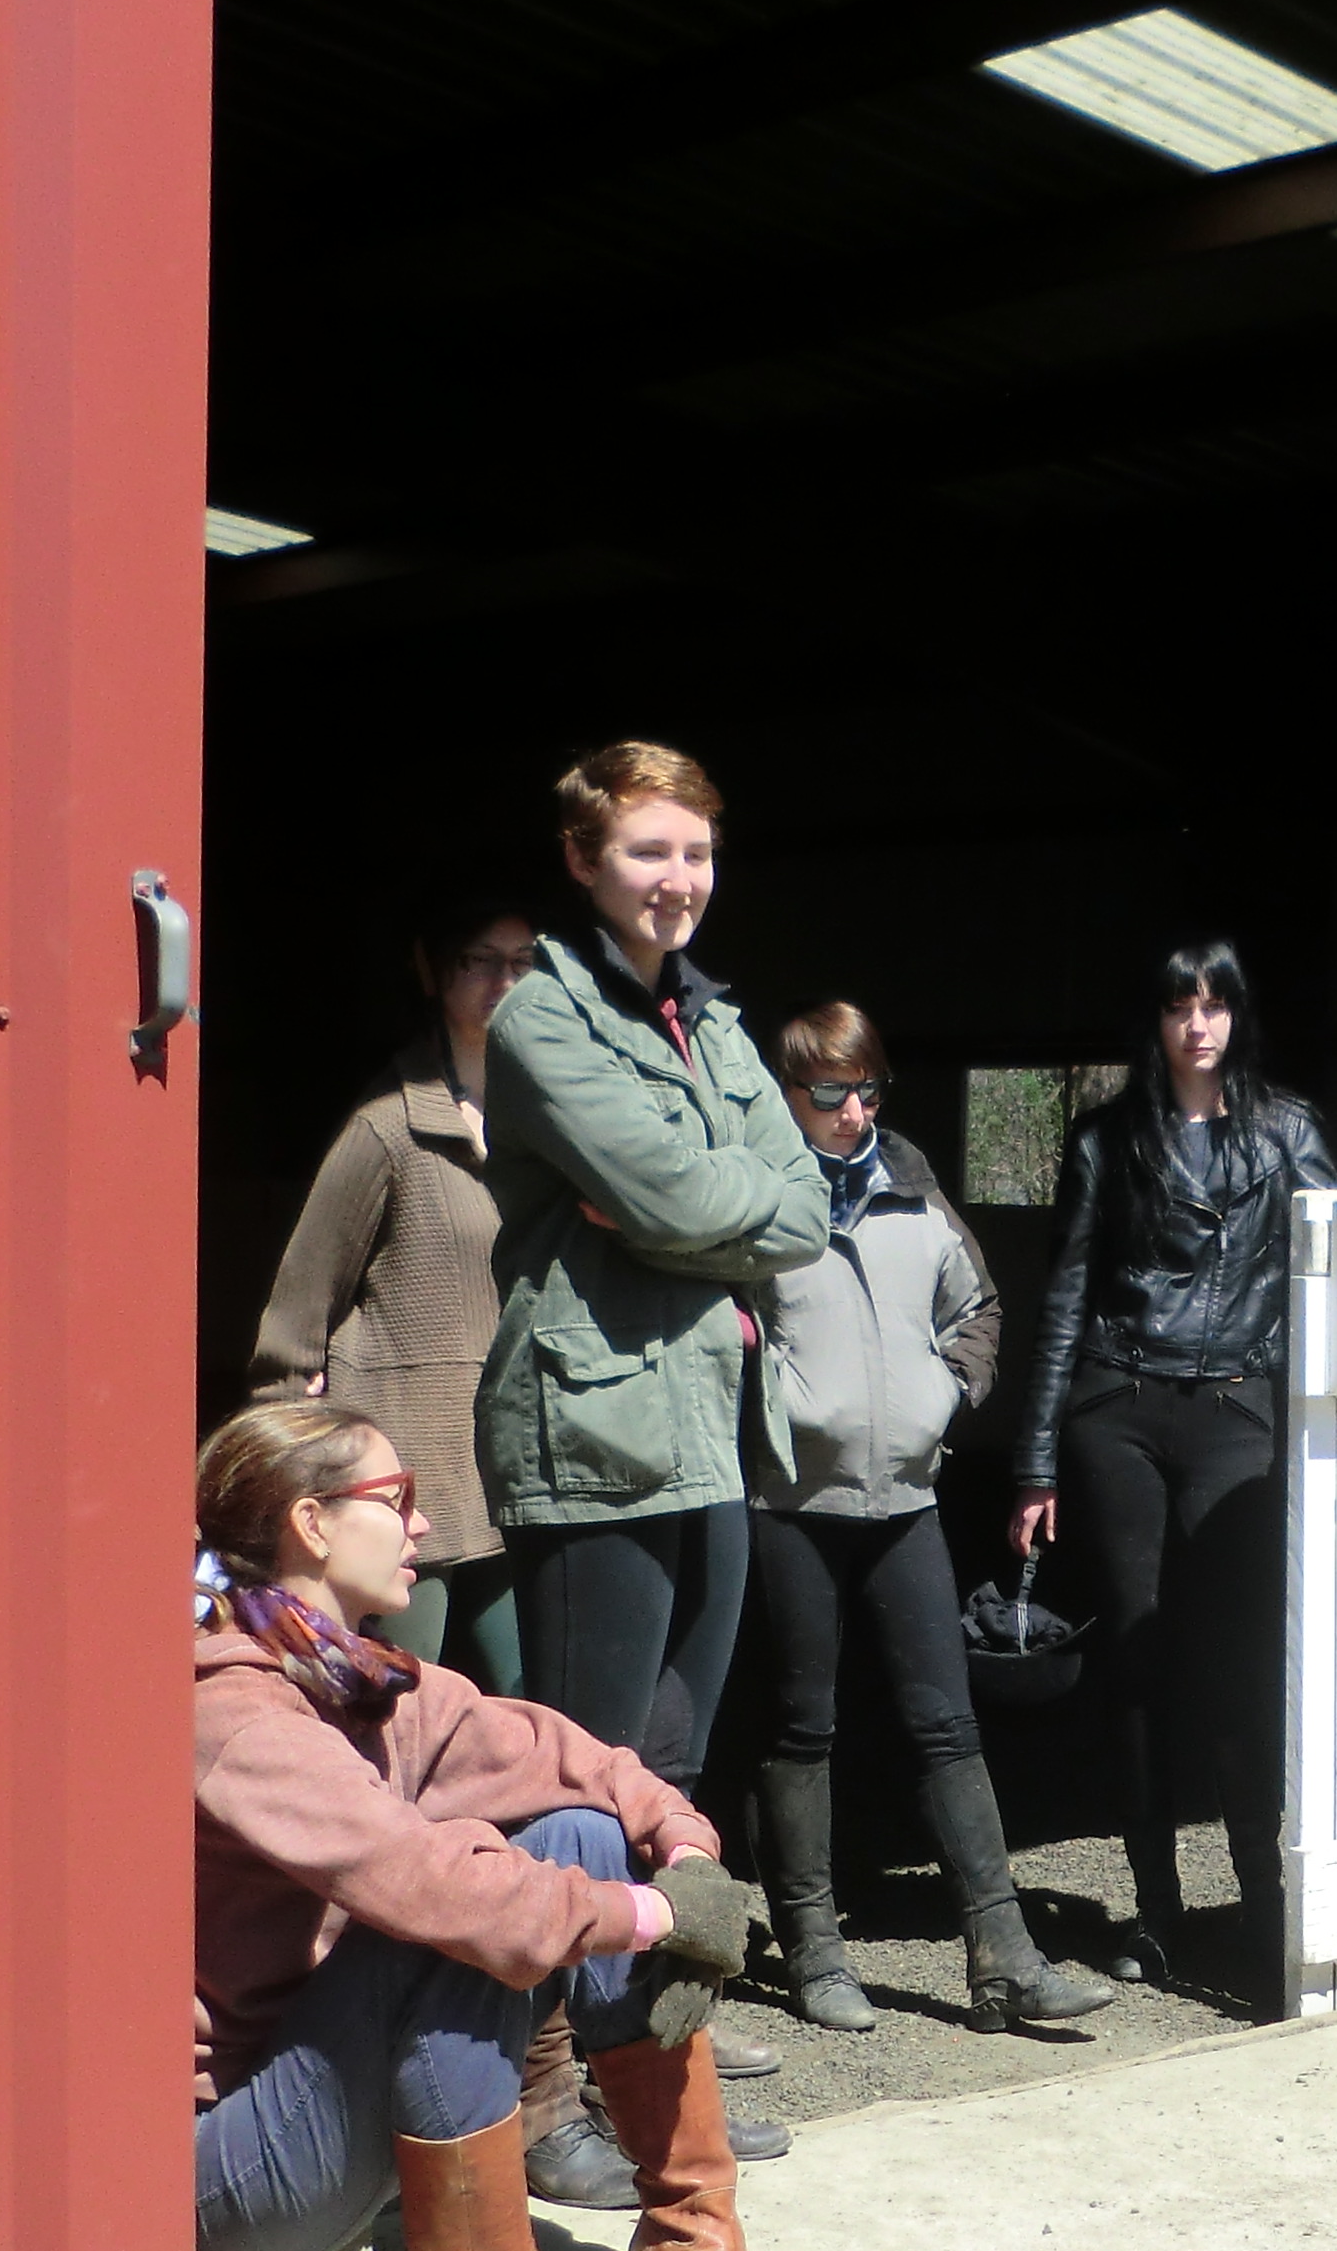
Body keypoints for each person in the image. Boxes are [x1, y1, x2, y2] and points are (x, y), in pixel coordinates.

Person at [190, 1403, 788, 2251]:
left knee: (585, 1831)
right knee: (461, 1895)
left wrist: (684, 1851)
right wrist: (651, 1916)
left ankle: (690, 2228)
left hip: (329, 2104)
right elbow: (434, 1886)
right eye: (399, 1498)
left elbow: (563, 1755)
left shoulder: (351, 1676)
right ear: (311, 1523)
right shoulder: (238, 1715)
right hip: (241, 2169)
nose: (423, 1524)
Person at [481, 740, 830, 2099]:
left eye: (696, 853)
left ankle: (642, 2051)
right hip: (593, 1434)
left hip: (710, 1427)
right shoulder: (542, 1020)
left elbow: (804, 1208)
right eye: (647, 852)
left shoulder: (716, 1019)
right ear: (583, 861)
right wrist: (705, 1206)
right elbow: (688, 1198)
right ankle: (541, 2082)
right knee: (579, 1779)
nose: (677, 879)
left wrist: (691, 1210)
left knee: (673, 1766)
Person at [746, 1002, 1115, 2038]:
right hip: (790, 1501)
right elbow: (716, 1325)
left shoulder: (911, 1185)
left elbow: (980, 1305)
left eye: (868, 1090)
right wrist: (769, 1401)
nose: (854, 1112)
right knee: (800, 1725)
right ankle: (815, 1954)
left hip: (907, 1496)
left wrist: (949, 1393)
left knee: (948, 1723)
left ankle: (1004, 1959)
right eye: (831, 1093)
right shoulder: (754, 1196)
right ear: (789, 1091)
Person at [1007, 943, 1337, 2000]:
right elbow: (1066, 1294)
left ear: (1238, 1016)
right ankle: (1155, 1912)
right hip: (1122, 1408)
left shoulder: (1287, 1131)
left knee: (1241, 1664)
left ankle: (1262, 1905)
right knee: (1137, 1665)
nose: (1198, 1025)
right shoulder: (1106, 1138)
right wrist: (1035, 1460)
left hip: (1238, 1409)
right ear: (1153, 1022)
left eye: (1215, 1005)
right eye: (1178, 1006)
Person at [247, 895, 539, 1690]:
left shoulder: (550, 1123)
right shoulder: (388, 1125)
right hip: (403, 1478)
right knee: (392, 1698)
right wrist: (299, 1465)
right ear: (434, 971)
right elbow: (294, 1320)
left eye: (523, 964)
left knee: (527, 1706)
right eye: (481, 961)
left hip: (511, 1479)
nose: (504, 982)